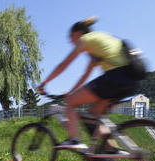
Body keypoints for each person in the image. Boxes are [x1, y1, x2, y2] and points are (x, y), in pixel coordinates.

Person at [38, 17, 141, 148]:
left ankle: (74, 140)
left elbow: (64, 65)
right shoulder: (101, 39)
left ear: (78, 33)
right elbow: (85, 75)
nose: (70, 40)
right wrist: (71, 92)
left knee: (70, 103)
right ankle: (113, 150)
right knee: (92, 116)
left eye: (70, 36)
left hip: (115, 76)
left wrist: (44, 83)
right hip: (131, 80)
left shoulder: (85, 39)